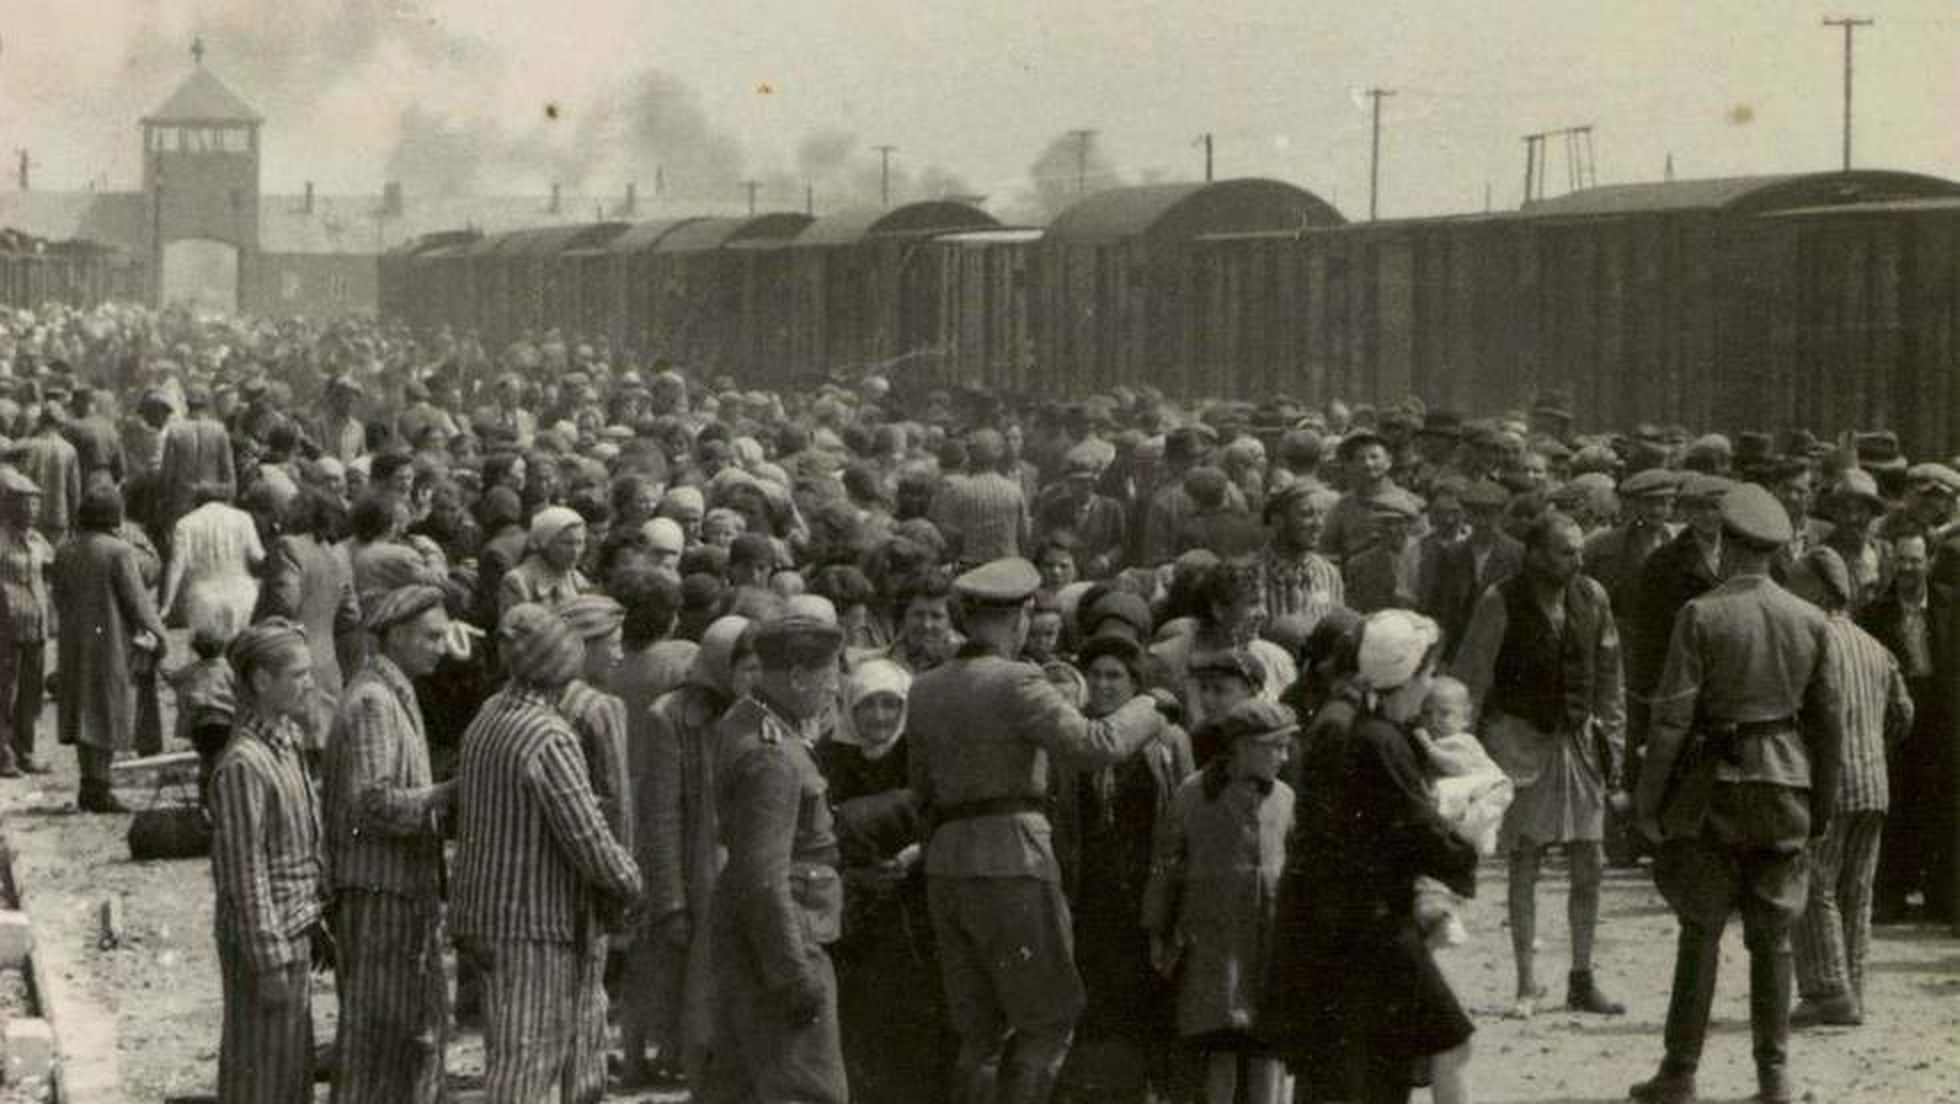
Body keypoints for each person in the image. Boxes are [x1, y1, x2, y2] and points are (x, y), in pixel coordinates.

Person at [907, 556, 1170, 1104]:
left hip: (947, 863)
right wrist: (1150, 705)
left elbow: (922, 789)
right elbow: (1097, 746)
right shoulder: (1018, 680)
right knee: (1046, 1019)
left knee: (979, 1032)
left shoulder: (926, 688)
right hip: (1013, 860)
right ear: (1022, 614)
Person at [1631, 484, 1845, 1104]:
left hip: (1713, 789)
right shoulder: (1809, 619)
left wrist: (1649, 802)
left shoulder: (1700, 614)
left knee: (1700, 930)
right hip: (1786, 786)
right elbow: (1827, 724)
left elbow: (1670, 722)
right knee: (1773, 938)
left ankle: (1680, 1071)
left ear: (1725, 544)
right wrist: (1822, 805)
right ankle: (1773, 1075)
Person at [1259, 609, 1478, 1104]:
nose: (1431, 684)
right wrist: (1465, 842)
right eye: (1427, 673)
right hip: (1368, 929)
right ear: (1408, 675)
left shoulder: (1362, 726)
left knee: (1365, 1068)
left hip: (1344, 926)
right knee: (1440, 1041)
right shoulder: (1378, 739)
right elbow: (1419, 828)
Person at [451, 604, 644, 1103]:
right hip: (534, 924)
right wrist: (628, 881)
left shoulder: (488, 715)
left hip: (486, 914)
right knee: (527, 1068)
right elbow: (587, 836)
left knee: (513, 1057)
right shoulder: (547, 735)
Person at [1450, 510, 1627, 1018]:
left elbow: (1611, 677)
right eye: (1564, 551)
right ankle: (1527, 984)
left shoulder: (1592, 597)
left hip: (1577, 743)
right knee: (1525, 860)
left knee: (1589, 861)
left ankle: (1582, 976)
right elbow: (1472, 678)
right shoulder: (1499, 601)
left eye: (1579, 551)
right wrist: (1470, 758)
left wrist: (1612, 741)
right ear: (1534, 553)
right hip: (1521, 742)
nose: (1576, 560)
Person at [695, 612, 850, 1103]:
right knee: (808, 1089)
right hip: (784, 941)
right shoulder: (773, 755)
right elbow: (764, 878)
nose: (836, 686)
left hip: (751, 937)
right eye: (830, 673)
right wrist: (793, 976)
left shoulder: (745, 719)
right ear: (800, 676)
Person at [323, 585, 456, 1103]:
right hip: (379, 894)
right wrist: (443, 796)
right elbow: (371, 804)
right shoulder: (375, 702)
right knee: (378, 1042)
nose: (441, 647)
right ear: (397, 636)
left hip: (394, 891)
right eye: (431, 637)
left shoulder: (391, 691)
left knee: (400, 1037)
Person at [1051, 632, 1192, 1102]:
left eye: (1116, 676)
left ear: (1135, 684)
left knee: (1147, 998)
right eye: (1095, 675)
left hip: (1145, 888)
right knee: (1095, 1000)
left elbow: (1181, 815)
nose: (1105, 685)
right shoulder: (1073, 739)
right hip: (1092, 890)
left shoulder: (1168, 739)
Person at [1142, 699, 1296, 1104]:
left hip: (1268, 942)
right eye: (1275, 747)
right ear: (1242, 747)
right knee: (1221, 1045)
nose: (1284, 756)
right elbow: (1166, 865)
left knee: (1267, 1049)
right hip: (1214, 943)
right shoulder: (1194, 795)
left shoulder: (1284, 798)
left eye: (1286, 746)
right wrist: (1157, 930)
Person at [209, 619, 330, 1104]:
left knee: (288, 1072)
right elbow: (245, 873)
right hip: (267, 941)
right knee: (260, 1074)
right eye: (298, 674)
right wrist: (268, 959)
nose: (310, 684)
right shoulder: (244, 764)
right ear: (261, 680)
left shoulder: (285, 742)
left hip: (293, 927)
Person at [635, 615, 760, 1084]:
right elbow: (661, 817)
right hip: (701, 872)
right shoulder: (671, 717)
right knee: (702, 999)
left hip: (751, 868)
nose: (754, 678)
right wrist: (669, 900)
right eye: (745, 667)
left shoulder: (767, 715)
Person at [1790, 548, 1912, 1029]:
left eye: (1797, 583)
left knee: (1814, 883)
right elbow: (1904, 714)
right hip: (1874, 782)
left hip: (1830, 783)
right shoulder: (1873, 645)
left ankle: (1826, 990)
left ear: (1821, 589)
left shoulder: (1813, 641)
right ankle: (1853, 989)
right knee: (1858, 891)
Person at [52, 484, 169, 812]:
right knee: (104, 708)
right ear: (114, 517)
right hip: (110, 641)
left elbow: (58, 596)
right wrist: (160, 636)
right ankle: (100, 789)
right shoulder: (119, 551)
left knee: (82, 708)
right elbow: (138, 603)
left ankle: (89, 783)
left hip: (74, 640)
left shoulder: (65, 550)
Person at [257, 490, 362, 752]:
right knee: (321, 750)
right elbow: (351, 614)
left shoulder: (288, 546)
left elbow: (284, 605)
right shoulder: (339, 554)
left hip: (289, 665)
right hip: (327, 665)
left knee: (286, 748)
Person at [161, 481, 266, 643]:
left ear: (196, 502)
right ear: (225, 500)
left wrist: (166, 606)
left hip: (203, 598)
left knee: (207, 657)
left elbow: (176, 566)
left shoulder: (185, 523)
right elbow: (258, 557)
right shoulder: (243, 518)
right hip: (242, 595)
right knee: (241, 651)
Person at [0, 467, 54, 774]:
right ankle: (3, 753)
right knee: (5, 691)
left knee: (32, 694)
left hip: (36, 625)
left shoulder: (38, 539)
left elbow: (51, 567)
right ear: (9, 505)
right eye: (24, 503)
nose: (31, 510)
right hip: (6, 627)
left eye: (35, 504)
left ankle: (26, 750)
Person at [498, 505, 593, 617]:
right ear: (545, 543)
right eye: (567, 543)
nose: (575, 551)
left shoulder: (577, 580)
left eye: (579, 543)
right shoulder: (518, 582)